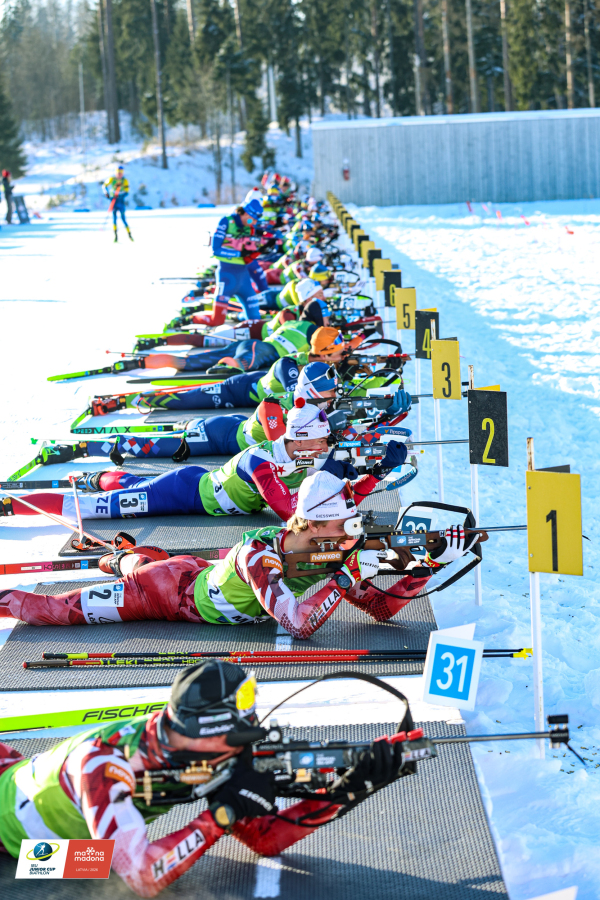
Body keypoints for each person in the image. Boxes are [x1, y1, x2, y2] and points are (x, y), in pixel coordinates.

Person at [0, 661, 417, 896]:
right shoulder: (103, 767)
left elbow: (265, 840)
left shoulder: (194, 743)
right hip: (25, 851)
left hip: (20, 778)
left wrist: (350, 790)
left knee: (104, 858)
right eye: (238, 728)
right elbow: (140, 877)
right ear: (210, 729)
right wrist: (222, 815)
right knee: (95, 864)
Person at [0, 470, 475, 634]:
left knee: (143, 558)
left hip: (197, 570)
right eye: (344, 525)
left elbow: (379, 609)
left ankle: (119, 555)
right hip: (163, 594)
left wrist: (427, 566)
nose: (354, 534)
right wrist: (346, 577)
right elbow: (297, 623)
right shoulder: (258, 557)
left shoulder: (332, 552)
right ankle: (118, 558)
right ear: (311, 525)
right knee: (57, 610)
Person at [0, 405, 407, 523]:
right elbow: (290, 512)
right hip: (184, 494)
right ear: (300, 439)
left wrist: (374, 472)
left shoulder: (304, 455)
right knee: (94, 510)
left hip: (198, 483)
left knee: (128, 484)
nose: (326, 447)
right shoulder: (261, 460)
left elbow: (330, 499)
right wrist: (334, 473)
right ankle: (12, 505)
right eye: (322, 440)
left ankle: (100, 475)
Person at [196, 199, 264, 327]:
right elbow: (216, 249)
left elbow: (251, 251)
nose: (254, 223)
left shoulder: (250, 228)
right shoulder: (226, 221)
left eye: (256, 221)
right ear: (245, 213)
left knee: (256, 321)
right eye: (252, 219)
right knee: (217, 321)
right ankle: (189, 319)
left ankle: (237, 318)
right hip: (227, 277)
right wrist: (239, 254)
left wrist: (262, 248)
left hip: (244, 278)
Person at [103, 165, 133, 242]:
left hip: (120, 201)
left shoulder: (124, 180)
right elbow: (104, 186)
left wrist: (120, 195)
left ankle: (129, 235)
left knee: (123, 219)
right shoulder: (112, 179)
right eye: (118, 172)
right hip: (113, 201)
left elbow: (127, 191)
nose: (119, 174)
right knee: (114, 219)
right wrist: (106, 193)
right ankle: (115, 236)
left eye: (121, 172)